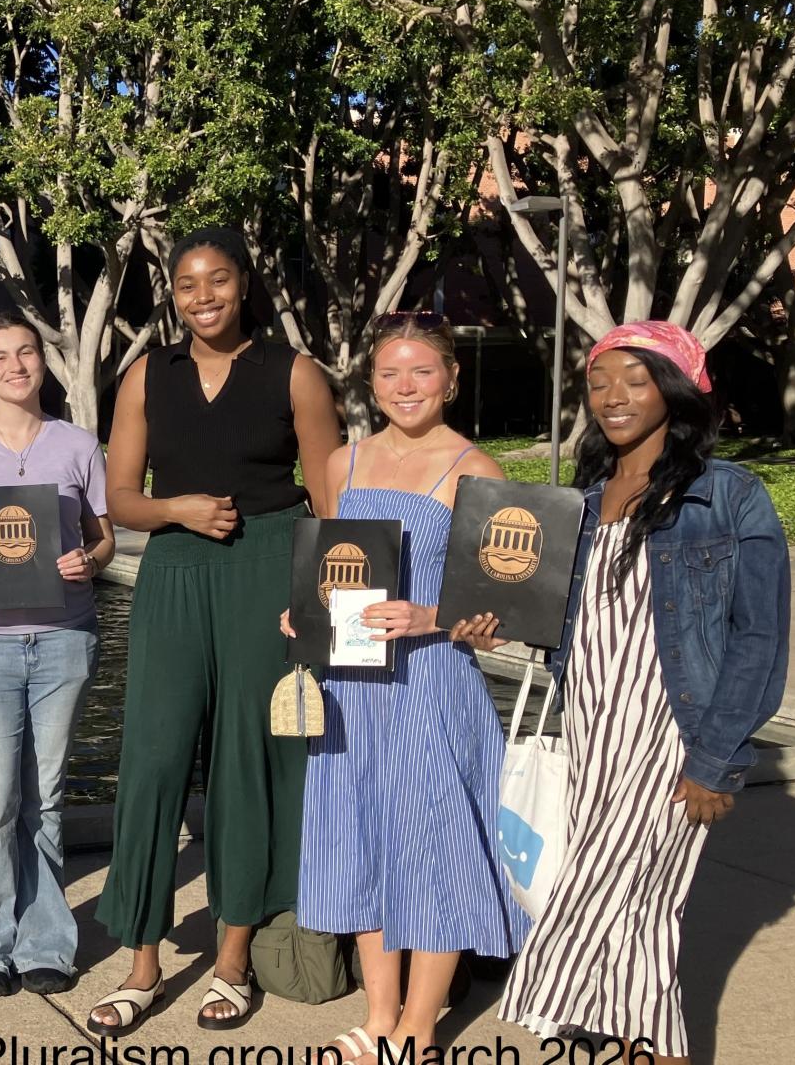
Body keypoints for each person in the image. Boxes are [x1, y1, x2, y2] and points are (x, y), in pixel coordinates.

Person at [464, 322, 790, 1065]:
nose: (612, 397)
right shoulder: (579, 502)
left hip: (671, 734)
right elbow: (570, 628)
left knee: (622, 904)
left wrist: (715, 760)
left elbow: (759, 639)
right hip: (591, 731)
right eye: (599, 382)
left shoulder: (728, 495)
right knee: (638, 921)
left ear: (674, 389)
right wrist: (499, 627)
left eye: (634, 380)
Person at [87, 227, 341, 1036]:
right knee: (154, 756)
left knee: (249, 757)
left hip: (267, 567)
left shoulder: (294, 373)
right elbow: (119, 498)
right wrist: (178, 510)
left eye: (218, 280)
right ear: (174, 293)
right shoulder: (145, 376)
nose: (203, 297)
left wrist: (319, 599)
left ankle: (232, 959)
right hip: (173, 565)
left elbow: (331, 504)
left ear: (244, 285)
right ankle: (142, 961)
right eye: (188, 284)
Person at [283, 314, 526, 1064]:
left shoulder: (476, 468)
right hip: (352, 686)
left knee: (435, 846)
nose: (406, 386)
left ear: (451, 378)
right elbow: (335, 565)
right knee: (362, 837)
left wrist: (432, 615)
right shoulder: (340, 465)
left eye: (422, 371)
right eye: (391, 372)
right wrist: (305, 613)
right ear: (371, 382)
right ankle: (379, 1012)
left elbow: (504, 610)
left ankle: (420, 1025)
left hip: (430, 684)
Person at [0, 313, 114, 997]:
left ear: (42, 362)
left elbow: (103, 537)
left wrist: (86, 561)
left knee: (49, 797)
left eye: (26, 352)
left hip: (64, 638)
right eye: (0, 356)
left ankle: (45, 943)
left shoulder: (77, 444)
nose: (15, 365)